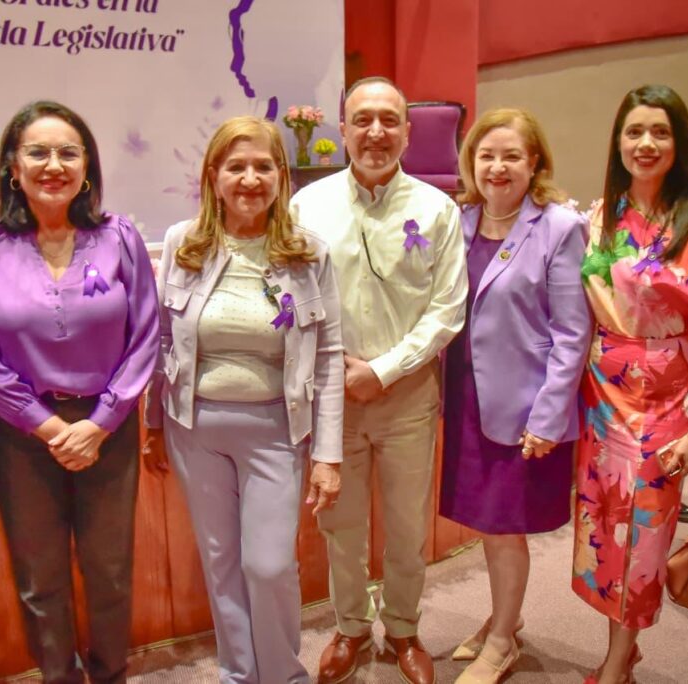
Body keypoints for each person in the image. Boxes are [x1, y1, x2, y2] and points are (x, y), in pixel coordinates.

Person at [0, 100, 158, 684]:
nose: (54, 164)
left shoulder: (118, 235)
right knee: (39, 576)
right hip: (23, 437)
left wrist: (101, 421)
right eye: (38, 152)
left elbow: (146, 334)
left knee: (110, 571)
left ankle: (110, 674)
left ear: (87, 167)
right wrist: (44, 424)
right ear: (12, 168)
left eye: (68, 152)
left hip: (109, 429)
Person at [142, 115, 344, 684]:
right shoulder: (185, 243)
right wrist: (155, 424)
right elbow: (161, 338)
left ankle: (282, 674)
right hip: (195, 427)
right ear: (214, 176)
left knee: (269, 564)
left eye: (263, 166)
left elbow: (328, 356)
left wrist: (327, 455)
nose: (250, 179)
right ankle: (238, 674)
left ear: (282, 176)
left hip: (277, 430)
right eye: (236, 166)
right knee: (221, 562)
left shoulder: (308, 253)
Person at [291, 76, 468, 684]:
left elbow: (449, 309)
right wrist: (335, 372)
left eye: (389, 120)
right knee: (339, 526)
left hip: (408, 398)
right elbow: (289, 298)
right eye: (361, 120)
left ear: (408, 132)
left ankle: (403, 628)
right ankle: (349, 628)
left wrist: (384, 370)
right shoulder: (305, 208)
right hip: (332, 400)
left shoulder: (437, 209)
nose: (375, 132)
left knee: (406, 527)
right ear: (342, 129)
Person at [572, 84, 688, 684]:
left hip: (669, 395)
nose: (646, 144)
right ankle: (622, 647)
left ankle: (618, 663)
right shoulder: (602, 215)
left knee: (645, 534)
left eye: (660, 132)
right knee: (604, 527)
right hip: (603, 396)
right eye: (634, 132)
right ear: (618, 140)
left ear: (681, 142)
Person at [441, 108, 591, 683]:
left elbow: (572, 334)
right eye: (486, 155)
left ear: (534, 163)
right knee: (487, 524)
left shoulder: (557, 226)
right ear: (470, 163)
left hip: (525, 408)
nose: (497, 166)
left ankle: (501, 640)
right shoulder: (461, 221)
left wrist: (549, 417)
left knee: (505, 529)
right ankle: (503, 616)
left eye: (510, 156)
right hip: (465, 400)